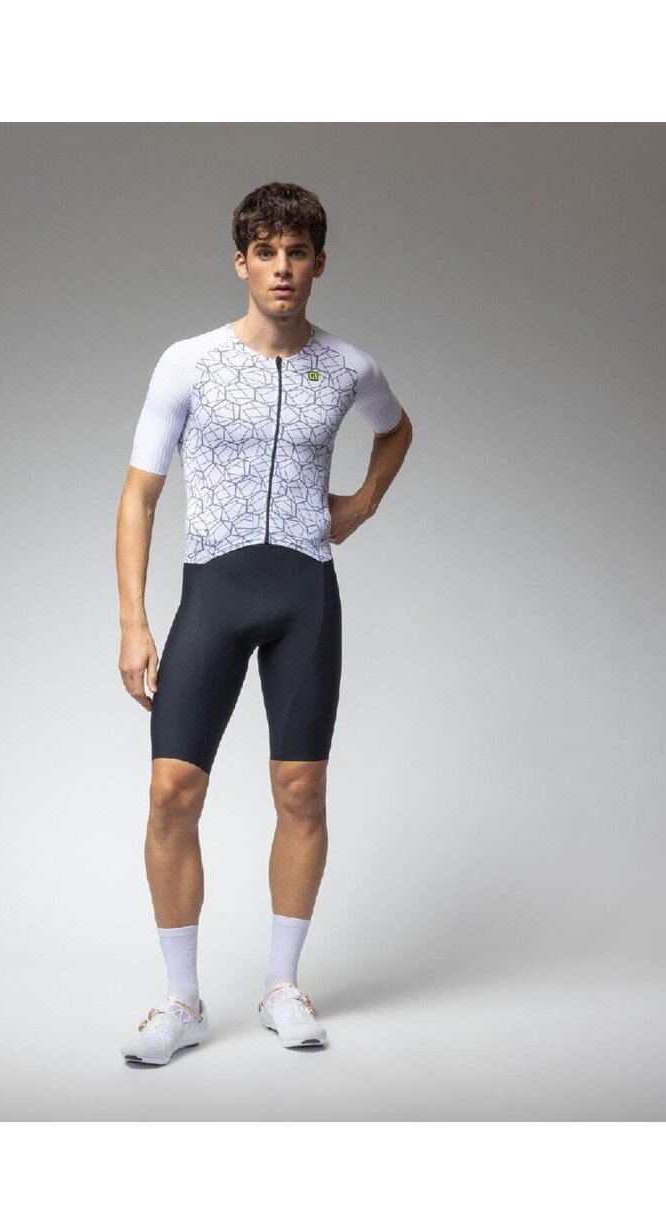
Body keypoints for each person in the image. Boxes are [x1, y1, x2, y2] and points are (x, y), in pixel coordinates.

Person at [115, 182, 412, 1065]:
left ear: (319, 263)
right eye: (267, 252)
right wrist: (134, 622)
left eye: (298, 252)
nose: (283, 268)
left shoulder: (349, 367)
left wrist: (360, 503)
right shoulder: (190, 363)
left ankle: (283, 985)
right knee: (172, 793)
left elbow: (395, 432)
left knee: (301, 793)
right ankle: (181, 1000)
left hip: (304, 598)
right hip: (214, 592)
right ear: (241, 262)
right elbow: (139, 496)